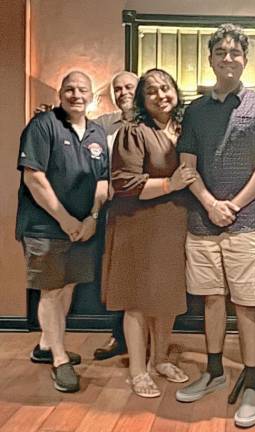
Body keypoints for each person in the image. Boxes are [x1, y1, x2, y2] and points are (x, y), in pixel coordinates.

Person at [175, 23, 255, 428]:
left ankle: (253, 381)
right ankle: (214, 370)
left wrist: (233, 206)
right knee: (210, 299)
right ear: (210, 58)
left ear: (245, 59)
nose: (227, 58)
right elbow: (186, 165)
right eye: (220, 51)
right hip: (202, 221)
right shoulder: (195, 110)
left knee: (248, 304)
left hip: (248, 222)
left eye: (235, 52)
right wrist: (208, 203)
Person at [101, 68, 196, 398]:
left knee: (167, 297)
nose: (161, 95)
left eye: (166, 88)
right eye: (152, 91)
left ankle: (159, 360)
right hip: (138, 224)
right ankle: (139, 371)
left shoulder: (184, 129)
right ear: (142, 99)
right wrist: (171, 184)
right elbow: (124, 183)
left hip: (174, 224)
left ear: (176, 91)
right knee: (137, 300)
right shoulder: (133, 131)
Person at [16, 71, 109, 392]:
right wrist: (66, 219)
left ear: (92, 94)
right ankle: (59, 359)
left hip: (83, 229)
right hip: (45, 228)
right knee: (51, 291)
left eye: (83, 89)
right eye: (69, 89)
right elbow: (34, 178)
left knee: (67, 286)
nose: (76, 95)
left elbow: (102, 181)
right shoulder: (42, 126)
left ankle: (46, 344)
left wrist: (92, 217)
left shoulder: (97, 132)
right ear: (60, 92)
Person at [92, 71, 139, 361]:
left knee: (144, 274)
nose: (122, 92)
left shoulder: (152, 120)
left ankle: (148, 340)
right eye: (117, 88)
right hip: (114, 209)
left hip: (150, 205)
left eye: (129, 86)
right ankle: (119, 336)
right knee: (115, 274)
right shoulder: (102, 124)